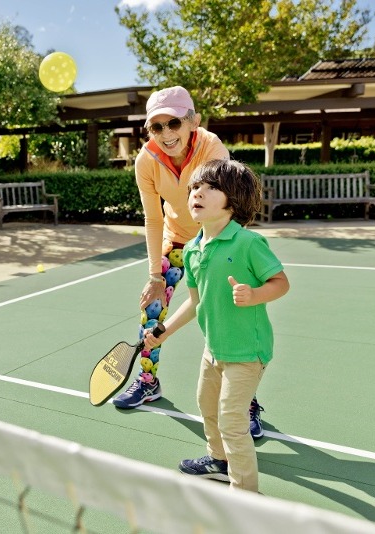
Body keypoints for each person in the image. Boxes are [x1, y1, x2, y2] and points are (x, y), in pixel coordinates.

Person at [112, 86, 265, 440]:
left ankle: (245, 402)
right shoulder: (146, 161)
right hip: (177, 239)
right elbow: (152, 219)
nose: (167, 133)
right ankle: (148, 382)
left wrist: (229, 252)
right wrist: (154, 275)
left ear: (192, 121)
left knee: (230, 317)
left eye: (174, 123)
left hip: (215, 236)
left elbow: (228, 202)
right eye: (157, 126)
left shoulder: (212, 147)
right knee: (152, 308)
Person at [143, 159, 290, 492]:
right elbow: (195, 302)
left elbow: (281, 283)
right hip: (214, 348)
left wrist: (255, 294)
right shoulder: (193, 249)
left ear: (232, 201)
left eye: (211, 188)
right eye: (195, 187)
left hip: (246, 352)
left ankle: (245, 496)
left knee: (232, 421)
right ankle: (219, 461)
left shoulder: (248, 243)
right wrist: (164, 330)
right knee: (206, 405)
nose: (198, 193)